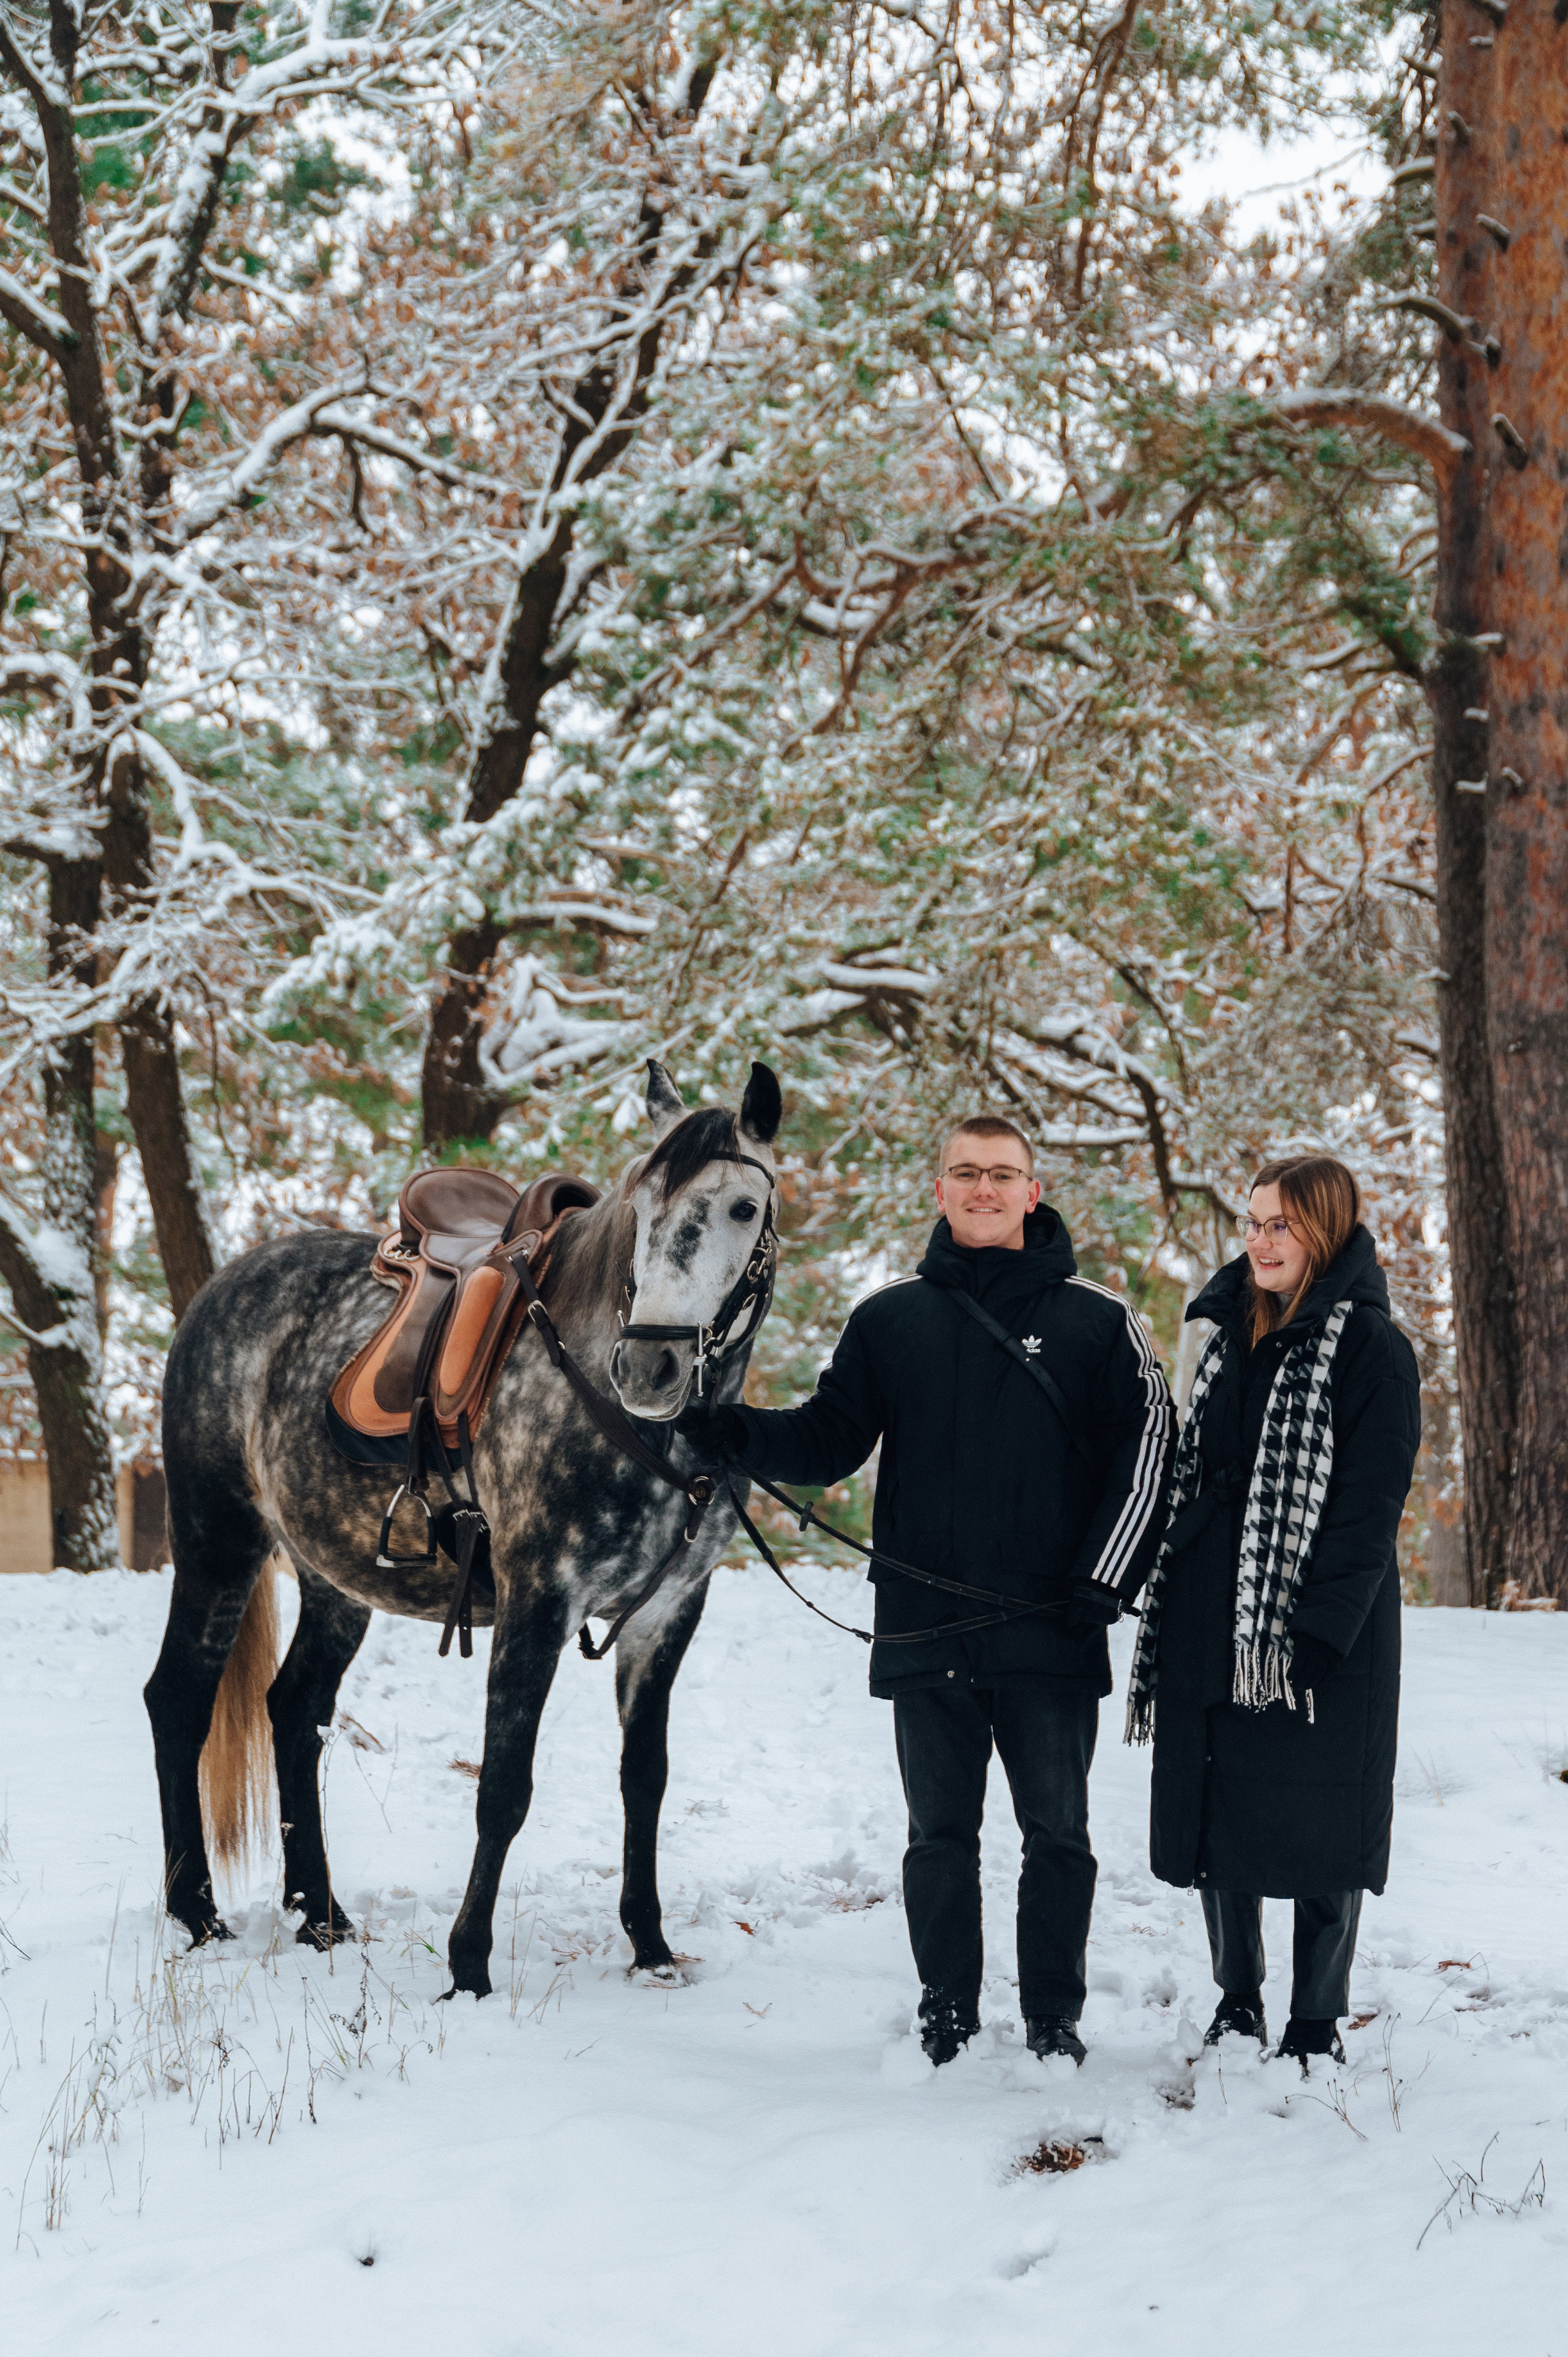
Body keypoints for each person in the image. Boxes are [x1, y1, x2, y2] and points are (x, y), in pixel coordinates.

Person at [680, 1115, 1173, 2067]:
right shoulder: (888, 1318)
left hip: (1053, 1625)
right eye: (965, 1174)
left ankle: (1052, 2019)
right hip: (925, 1623)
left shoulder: (1100, 1319)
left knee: (1057, 1838)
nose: (983, 1190)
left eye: (1002, 1174)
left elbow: (1152, 1452)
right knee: (939, 1837)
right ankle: (945, 2009)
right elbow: (830, 1439)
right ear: (939, 1191)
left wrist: (1105, 1581)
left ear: (1033, 1191)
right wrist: (736, 1432)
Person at [1126, 1155, 1420, 2069]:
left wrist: (1322, 1632)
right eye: (1252, 1223)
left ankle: (1315, 2020)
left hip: (1329, 1620)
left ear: (1324, 1230)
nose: (1259, 1241)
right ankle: (1238, 1999)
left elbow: (1370, 1507)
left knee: (1327, 1822)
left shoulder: (1371, 1347)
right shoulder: (1222, 1335)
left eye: (1280, 1226)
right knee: (1223, 1813)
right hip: (1216, 1610)